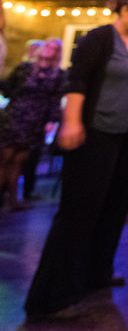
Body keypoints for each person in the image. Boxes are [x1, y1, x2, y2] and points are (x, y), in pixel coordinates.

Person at [24, 0, 128, 320]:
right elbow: (78, 81)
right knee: (80, 209)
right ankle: (52, 297)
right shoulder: (99, 39)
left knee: (114, 207)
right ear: (124, 10)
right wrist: (71, 122)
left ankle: (96, 272)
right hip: (99, 131)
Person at [0, 38, 65, 208]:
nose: (49, 49)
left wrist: (52, 120)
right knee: (5, 159)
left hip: (35, 121)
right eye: (48, 45)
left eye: (54, 48)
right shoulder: (24, 69)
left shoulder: (58, 75)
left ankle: (13, 200)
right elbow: (8, 89)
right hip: (15, 117)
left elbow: (55, 99)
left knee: (19, 161)